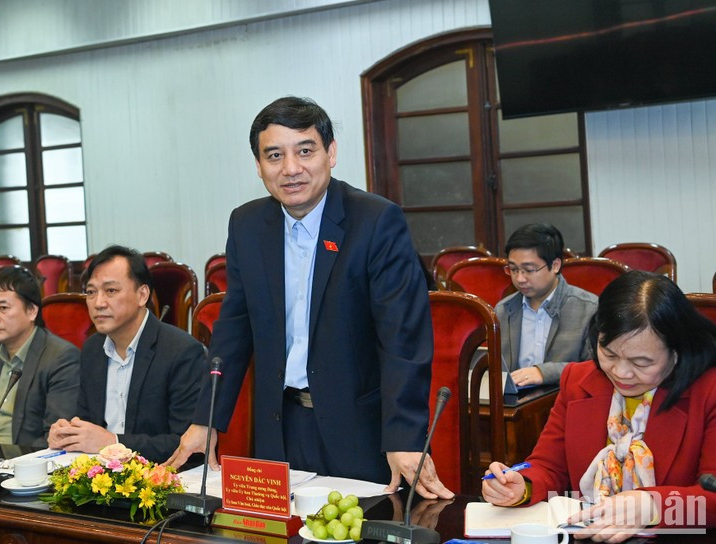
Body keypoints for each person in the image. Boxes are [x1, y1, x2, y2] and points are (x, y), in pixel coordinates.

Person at [165, 96, 452, 499]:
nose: (291, 169)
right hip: (279, 426)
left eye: (305, 150)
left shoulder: (375, 221)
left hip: (362, 430)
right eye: (274, 156)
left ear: (330, 153)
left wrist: (405, 435)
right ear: (259, 166)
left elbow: (403, 340)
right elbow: (233, 329)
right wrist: (207, 419)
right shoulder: (247, 225)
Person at [482, 271, 716, 541]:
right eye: (609, 354)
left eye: (641, 362)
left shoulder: (707, 391)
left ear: (677, 351)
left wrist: (654, 506)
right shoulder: (579, 380)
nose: (621, 372)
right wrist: (520, 486)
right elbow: (549, 467)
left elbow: (711, 498)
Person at [48, 245, 206, 461]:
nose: (98, 303)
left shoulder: (182, 352)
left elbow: (187, 445)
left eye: (111, 291)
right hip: (98, 477)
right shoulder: (93, 350)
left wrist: (114, 443)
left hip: (157, 480)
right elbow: (88, 423)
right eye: (91, 292)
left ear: (142, 295)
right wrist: (69, 433)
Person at [0, 266, 80, 447]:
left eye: (3, 308)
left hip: (27, 465)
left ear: (32, 311)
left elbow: (57, 436)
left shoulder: (61, 358)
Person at [496, 224, 598, 386]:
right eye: (513, 270)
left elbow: (596, 368)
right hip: (515, 406)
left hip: (566, 400)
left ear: (555, 265)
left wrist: (545, 373)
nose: (520, 278)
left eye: (529, 270)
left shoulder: (588, 309)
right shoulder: (503, 310)